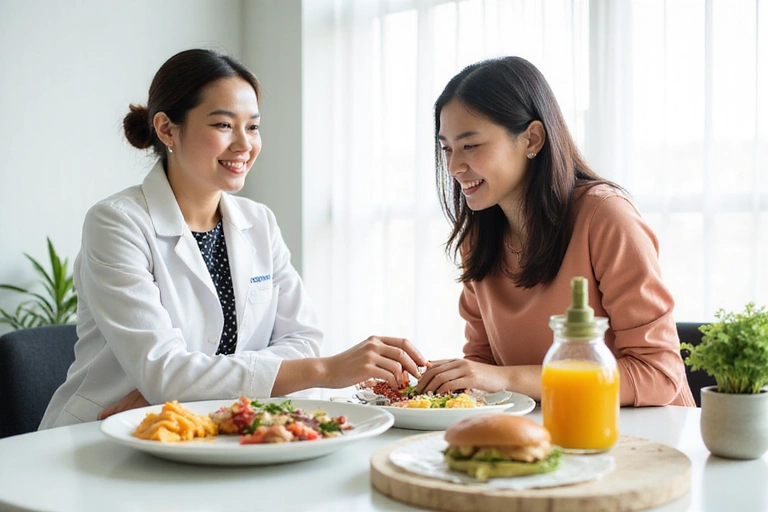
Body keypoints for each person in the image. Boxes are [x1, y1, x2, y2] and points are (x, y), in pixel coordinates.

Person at [40, 49, 426, 429]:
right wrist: (326, 370)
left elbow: (302, 339)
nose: (244, 144)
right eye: (224, 125)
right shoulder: (117, 223)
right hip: (103, 436)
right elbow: (166, 373)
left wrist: (187, 389)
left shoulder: (258, 222)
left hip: (204, 430)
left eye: (253, 126)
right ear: (166, 129)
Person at [415, 56, 694, 407]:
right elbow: (483, 366)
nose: (454, 166)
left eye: (470, 145)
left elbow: (657, 374)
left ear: (532, 138)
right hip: (547, 438)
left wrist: (503, 377)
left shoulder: (605, 217)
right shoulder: (478, 238)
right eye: (447, 148)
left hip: (642, 439)